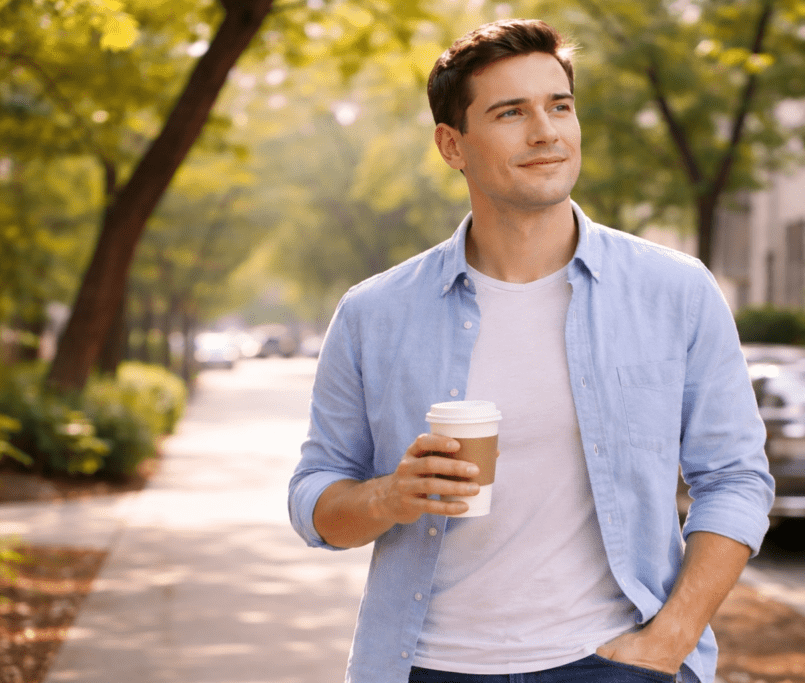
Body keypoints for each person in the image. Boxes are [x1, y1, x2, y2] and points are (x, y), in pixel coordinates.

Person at [289, 18, 774, 683]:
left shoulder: (674, 290)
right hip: (426, 666)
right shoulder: (374, 312)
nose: (546, 131)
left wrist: (669, 642)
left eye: (560, 106)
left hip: (616, 661)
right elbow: (316, 498)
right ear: (452, 145)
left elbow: (736, 477)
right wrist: (389, 498)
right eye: (511, 112)